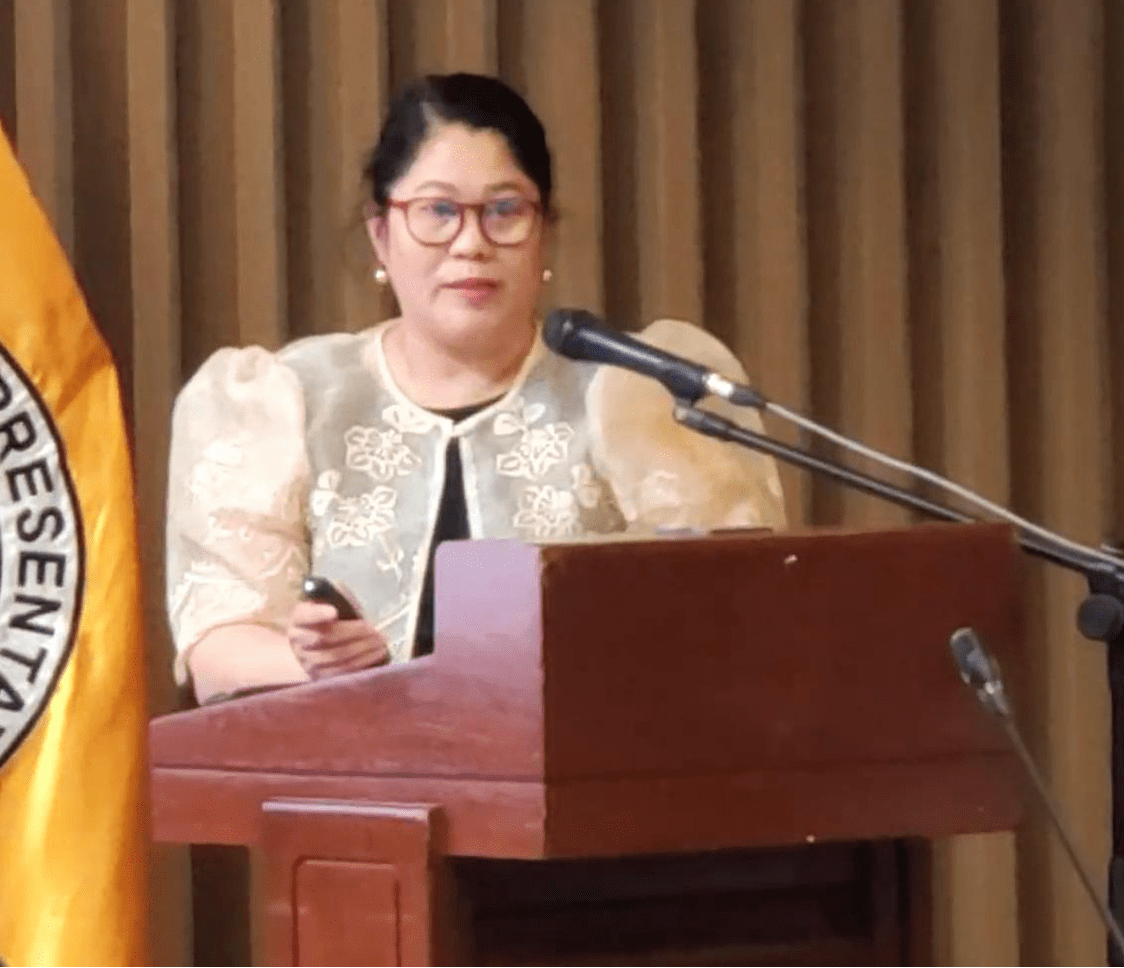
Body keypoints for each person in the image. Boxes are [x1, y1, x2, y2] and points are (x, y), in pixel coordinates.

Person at [165, 72, 786, 705]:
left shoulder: (634, 391)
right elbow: (218, 648)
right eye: (437, 211)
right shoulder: (285, 399)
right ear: (381, 235)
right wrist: (329, 666)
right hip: (354, 784)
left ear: (543, 232)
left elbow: (724, 627)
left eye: (505, 211)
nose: (471, 243)